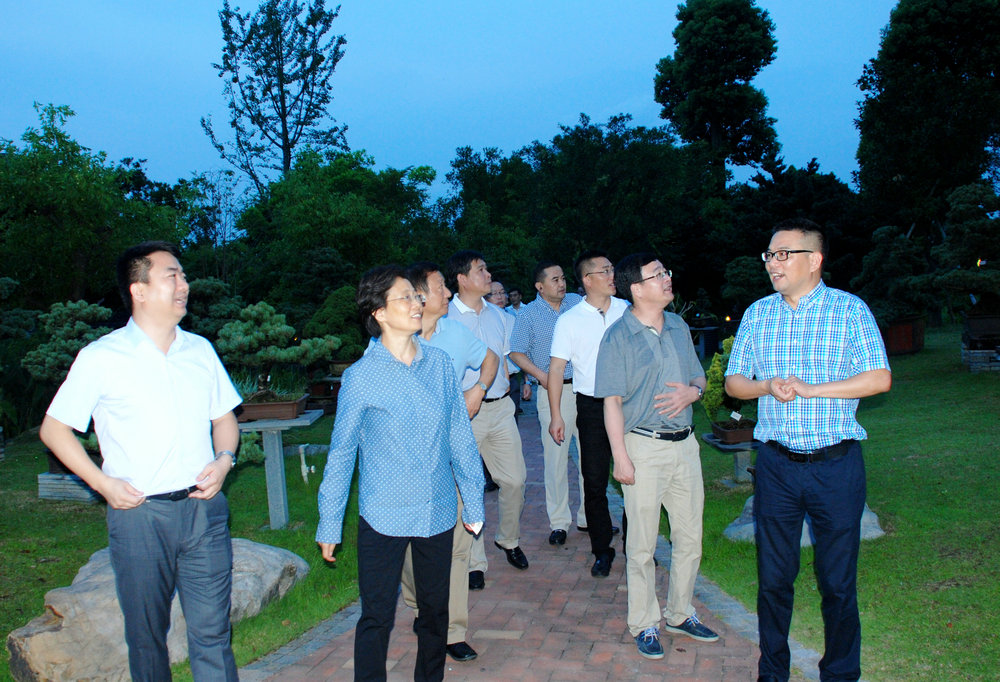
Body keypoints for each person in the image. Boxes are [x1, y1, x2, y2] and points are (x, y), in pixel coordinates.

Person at [40, 241, 241, 681]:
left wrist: (224, 459)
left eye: (183, 276)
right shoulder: (102, 357)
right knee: (147, 639)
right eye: (173, 276)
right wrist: (102, 484)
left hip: (204, 513)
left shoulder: (199, 351)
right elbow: (54, 430)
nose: (184, 285)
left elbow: (225, 419)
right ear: (140, 290)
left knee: (213, 635)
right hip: (140, 517)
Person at [724, 219, 891, 682]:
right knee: (774, 580)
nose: (772, 263)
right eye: (769, 255)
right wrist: (765, 386)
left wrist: (813, 389)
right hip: (776, 466)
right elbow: (734, 382)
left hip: (836, 467)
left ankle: (840, 674)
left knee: (837, 583)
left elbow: (879, 378)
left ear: (814, 260)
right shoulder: (758, 313)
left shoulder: (850, 310)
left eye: (783, 254)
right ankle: (773, 672)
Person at [316, 265, 485, 682]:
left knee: (436, 612)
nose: (416, 304)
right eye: (405, 297)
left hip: (437, 509)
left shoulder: (439, 365)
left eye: (417, 296)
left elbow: (459, 435)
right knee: (376, 616)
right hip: (383, 513)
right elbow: (342, 454)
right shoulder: (360, 377)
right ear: (378, 312)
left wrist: (473, 499)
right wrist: (330, 522)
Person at [595, 252, 718, 660]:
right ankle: (644, 623)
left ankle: (680, 613)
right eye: (658, 274)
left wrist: (692, 393)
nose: (667, 278)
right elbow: (611, 402)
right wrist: (620, 456)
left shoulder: (679, 326)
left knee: (690, 537)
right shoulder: (618, 337)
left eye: (666, 271)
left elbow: (698, 376)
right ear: (636, 288)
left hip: (685, 446)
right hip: (643, 447)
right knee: (642, 545)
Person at [397, 262, 499, 663]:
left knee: (457, 545)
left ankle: (452, 630)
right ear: (419, 297)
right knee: (409, 542)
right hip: (407, 460)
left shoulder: (455, 332)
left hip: (451, 451)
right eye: (441, 288)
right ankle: (419, 603)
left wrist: (479, 389)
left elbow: (490, 358)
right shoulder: (391, 340)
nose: (448, 294)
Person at [446, 250, 529, 580]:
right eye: (481, 270)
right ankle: (474, 562)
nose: (488, 275)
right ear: (462, 279)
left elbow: (507, 359)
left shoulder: (499, 315)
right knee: (468, 489)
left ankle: (508, 539)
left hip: (501, 409)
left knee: (515, 480)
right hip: (464, 414)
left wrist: (520, 385)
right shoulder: (445, 318)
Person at [548, 251, 627, 575]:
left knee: (637, 478)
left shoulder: (628, 310)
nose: (612, 275)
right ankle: (602, 550)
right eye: (604, 271)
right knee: (594, 482)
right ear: (587, 280)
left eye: (612, 269)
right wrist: (556, 414)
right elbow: (556, 369)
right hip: (591, 406)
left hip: (629, 404)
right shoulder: (570, 320)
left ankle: (637, 547)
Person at [510, 260, 586, 547]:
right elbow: (516, 352)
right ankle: (559, 522)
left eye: (563, 278)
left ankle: (589, 516)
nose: (562, 283)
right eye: (555, 279)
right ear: (539, 286)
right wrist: (541, 375)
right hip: (554, 392)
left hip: (585, 390)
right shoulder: (528, 315)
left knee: (591, 456)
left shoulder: (577, 304)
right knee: (555, 459)